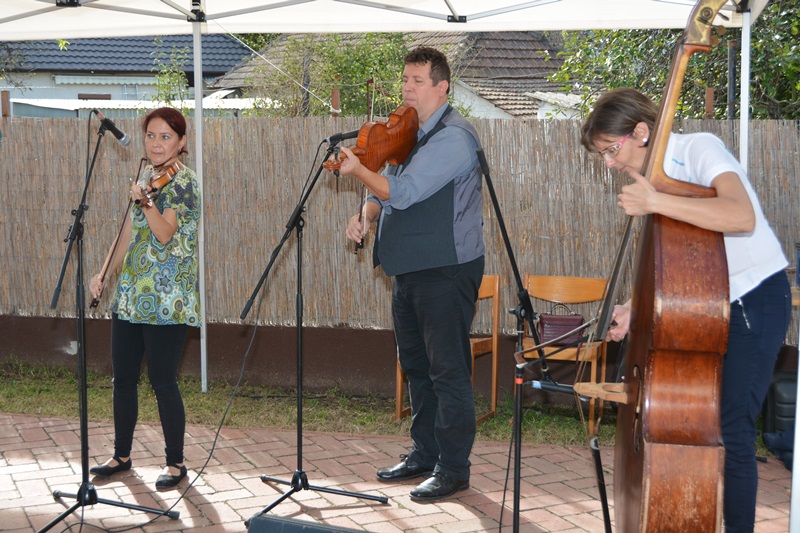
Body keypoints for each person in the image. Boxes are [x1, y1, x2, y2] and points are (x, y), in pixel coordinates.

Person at [581, 87, 791, 532]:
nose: (609, 163)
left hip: (753, 298)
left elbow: (741, 216)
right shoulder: (655, 182)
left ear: (642, 132)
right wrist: (635, 307)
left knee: (731, 427)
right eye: (603, 155)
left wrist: (656, 201)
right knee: (698, 422)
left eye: (611, 150)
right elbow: (681, 267)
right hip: (707, 306)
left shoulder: (698, 148)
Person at [338, 47, 485, 502]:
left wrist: (359, 171)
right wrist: (365, 215)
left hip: (445, 269)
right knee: (417, 367)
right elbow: (383, 193)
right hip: (408, 269)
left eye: (417, 81)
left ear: (442, 87)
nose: (407, 88)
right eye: (405, 79)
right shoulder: (408, 132)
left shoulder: (454, 137)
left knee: (447, 371)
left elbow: (404, 191)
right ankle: (425, 453)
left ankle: (453, 468)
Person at [88, 107, 201, 490]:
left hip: (168, 300)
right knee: (123, 378)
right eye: (151, 135)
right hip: (131, 297)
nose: (156, 143)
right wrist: (103, 272)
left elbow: (165, 234)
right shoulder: (145, 178)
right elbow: (127, 234)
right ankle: (121, 455)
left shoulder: (185, 183)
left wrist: (147, 203)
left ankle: (175, 463)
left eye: (166, 136)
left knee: (162, 380)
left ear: (181, 142)